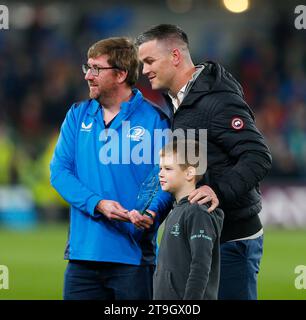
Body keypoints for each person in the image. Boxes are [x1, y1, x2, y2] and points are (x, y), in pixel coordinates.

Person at [136, 24, 272, 300]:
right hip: (202, 238)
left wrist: (217, 191)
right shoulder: (181, 101)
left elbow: (257, 155)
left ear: (175, 56)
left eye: (149, 61)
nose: (144, 70)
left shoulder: (217, 100)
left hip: (230, 241)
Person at [50, 37, 173, 300]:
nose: (88, 76)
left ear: (120, 74)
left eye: (96, 69)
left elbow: (169, 180)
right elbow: (59, 172)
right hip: (83, 257)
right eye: (87, 68)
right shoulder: (77, 114)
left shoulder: (156, 120)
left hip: (134, 258)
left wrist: (152, 212)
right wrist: (98, 204)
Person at [153, 139, 223, 300]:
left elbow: (201, 266)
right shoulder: (177, 210)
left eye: (168, 169)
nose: (160, 173)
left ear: (189, 173)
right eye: (160, 168)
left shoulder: (197, 212)